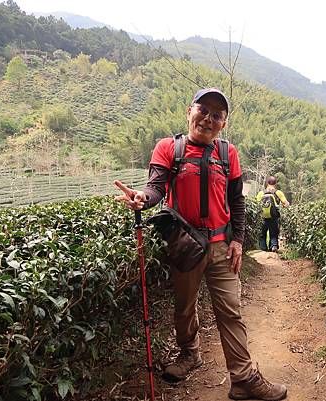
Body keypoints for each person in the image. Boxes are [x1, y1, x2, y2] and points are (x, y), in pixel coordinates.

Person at [114, 88, 287, 401]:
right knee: (184, 309)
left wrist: (238, 240)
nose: (208, 118)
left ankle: (243, 378)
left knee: (230, 312)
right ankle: (190, 354)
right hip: (185, 244)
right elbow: (155, 189)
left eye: (217, 115)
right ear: (189, 111)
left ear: (223, 124)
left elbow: (236, 200)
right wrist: (143, 199)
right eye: (203, 110)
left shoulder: (227, 153)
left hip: (221, 245)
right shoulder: (168, 148)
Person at [255, 176, 289, 252]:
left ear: (267, 183)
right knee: (274, 233)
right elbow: (286, 204)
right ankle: (273, 246)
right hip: (274, 217)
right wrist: (283, 205)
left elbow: (256, 204)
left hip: (262, 217)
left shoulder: (261, 193)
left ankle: (263, 248)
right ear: (275, 183)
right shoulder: (278, 192)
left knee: (262, 235)